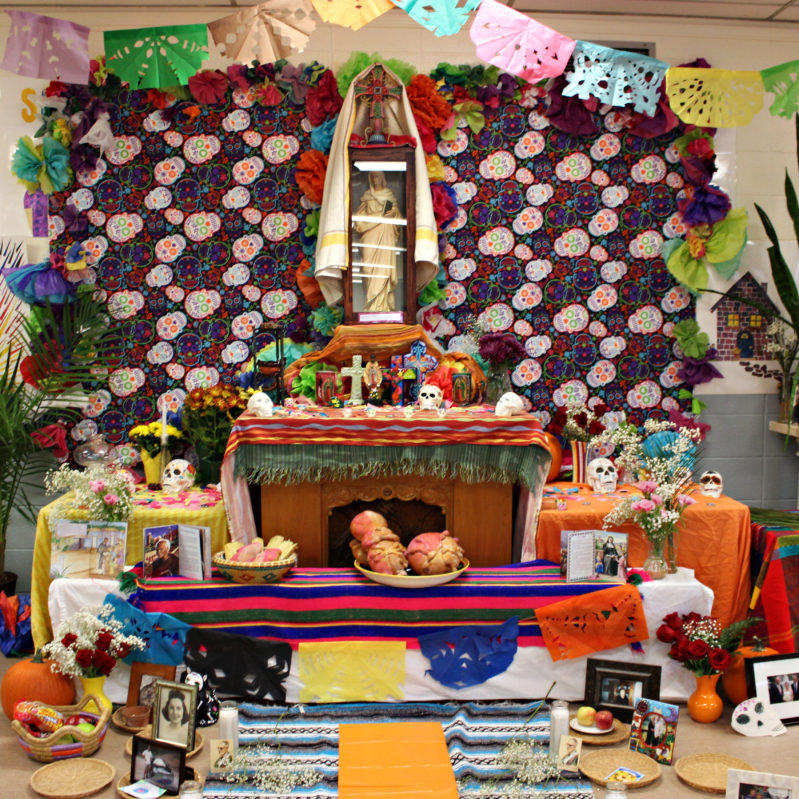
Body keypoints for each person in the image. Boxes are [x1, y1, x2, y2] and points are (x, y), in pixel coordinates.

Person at [352, 171, 401, 312]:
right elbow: (358, 217)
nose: (375, 179)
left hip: (385, 233)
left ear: (382, 178)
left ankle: (382, 305)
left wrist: (393, 214)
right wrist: (374, 218)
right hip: (369, 234)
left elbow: (396, 217)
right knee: (367, 268)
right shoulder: (367, 196)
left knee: (383, 268)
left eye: (377, 176)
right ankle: (370, 305)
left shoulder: (388, 196)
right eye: (373, 176)